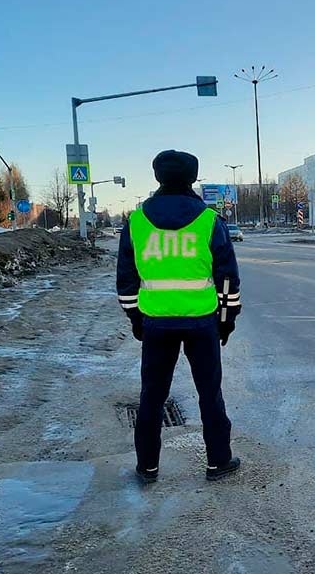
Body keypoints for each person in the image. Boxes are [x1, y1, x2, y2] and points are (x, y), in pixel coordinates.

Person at [116, 150, 242, 483]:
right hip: (202, 322)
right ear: (193, 178)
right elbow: (227, 278)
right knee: (209, 394)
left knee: (152, 397)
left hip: (156, 323)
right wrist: (226, 320)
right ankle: (218, 462)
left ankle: (147, 468)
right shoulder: (209, 220)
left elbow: (126, 280)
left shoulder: (137, 220)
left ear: (158, 177)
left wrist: (135, 319)